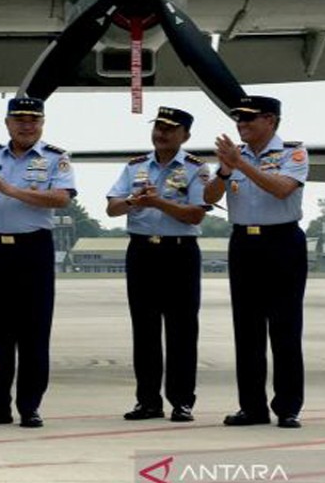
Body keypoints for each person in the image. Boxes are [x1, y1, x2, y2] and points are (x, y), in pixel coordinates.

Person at [0, 97, 75, 429]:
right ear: (7, 123)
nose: (27, 125)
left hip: (33, 249)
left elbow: (62, 197)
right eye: (20, 119)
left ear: (42, 124)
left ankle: (30, 407)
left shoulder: (56, 158)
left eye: (33, 120)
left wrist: (12, 191)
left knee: (34, 332)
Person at [204, 95, 309, 429]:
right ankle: (252, 407)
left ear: (271, 121)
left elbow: (281, 189)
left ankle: (288, 407)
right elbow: (208, 198)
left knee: (285, 329)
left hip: (282, 243)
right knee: (246, 331)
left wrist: (241, 164)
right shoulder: (234, 155)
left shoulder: (293, 153)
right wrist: (224, 170)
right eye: (238, 118)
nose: (241, 124)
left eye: (249, 118)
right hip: (244, 244)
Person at [105, 106, 209, 423]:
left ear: (185, 135)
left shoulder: (197, 168)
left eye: (170, 128)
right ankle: (147, 401)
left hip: (179, 253)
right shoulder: (135, 166)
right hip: (142, 252)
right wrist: (135, 201)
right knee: (145, 329)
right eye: (158, 127)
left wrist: (158, 202)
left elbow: (196, 213)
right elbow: (112, 208)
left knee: (182, 329)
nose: (161, 133)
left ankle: (181, 401)